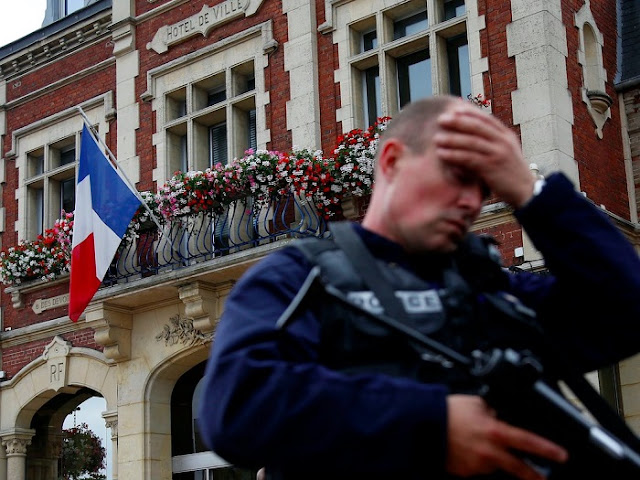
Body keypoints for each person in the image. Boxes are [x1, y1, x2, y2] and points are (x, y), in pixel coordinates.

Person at [197, 96, 640, 479]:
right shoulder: (300, 276)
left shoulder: (487, 292)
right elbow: (238, 406)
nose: (471, 201)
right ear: (392, 161)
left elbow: (626, 311)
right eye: (457, 176)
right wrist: (433, 421)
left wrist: (530, 191)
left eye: (485, 186)